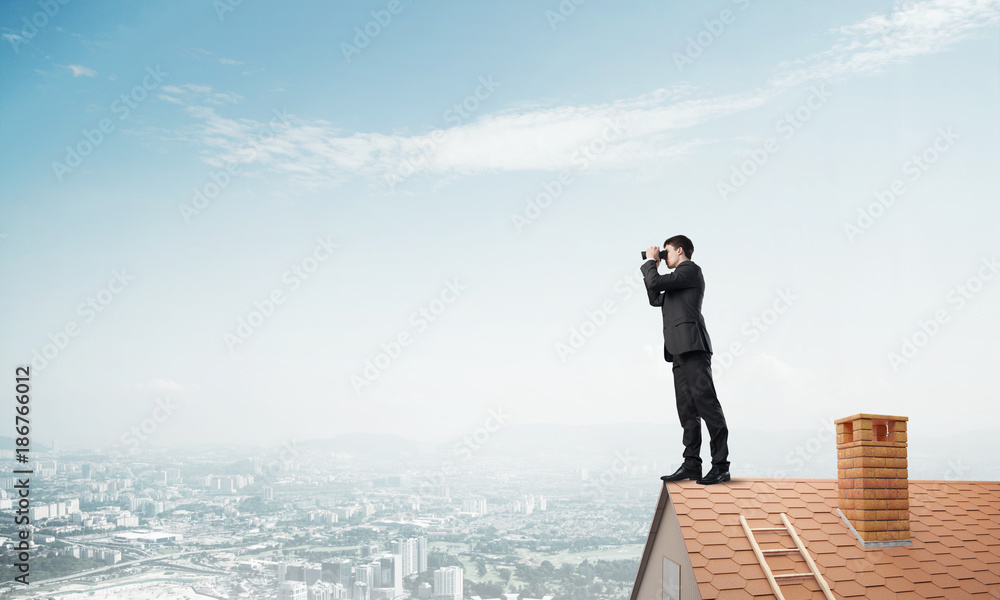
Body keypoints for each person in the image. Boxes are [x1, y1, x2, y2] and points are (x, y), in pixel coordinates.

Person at [641, 235, 730, 485]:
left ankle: (721, 466)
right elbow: (654, 297)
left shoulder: (690, 270)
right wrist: (652, 267)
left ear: (679, 251)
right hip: (678, 350)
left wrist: (650, 263)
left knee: (707, 405)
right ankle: (692, 464)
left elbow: (656, 281)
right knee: (687, 410)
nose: (663, 256)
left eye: (666, 251)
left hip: (693, 347)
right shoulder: (675, 283)